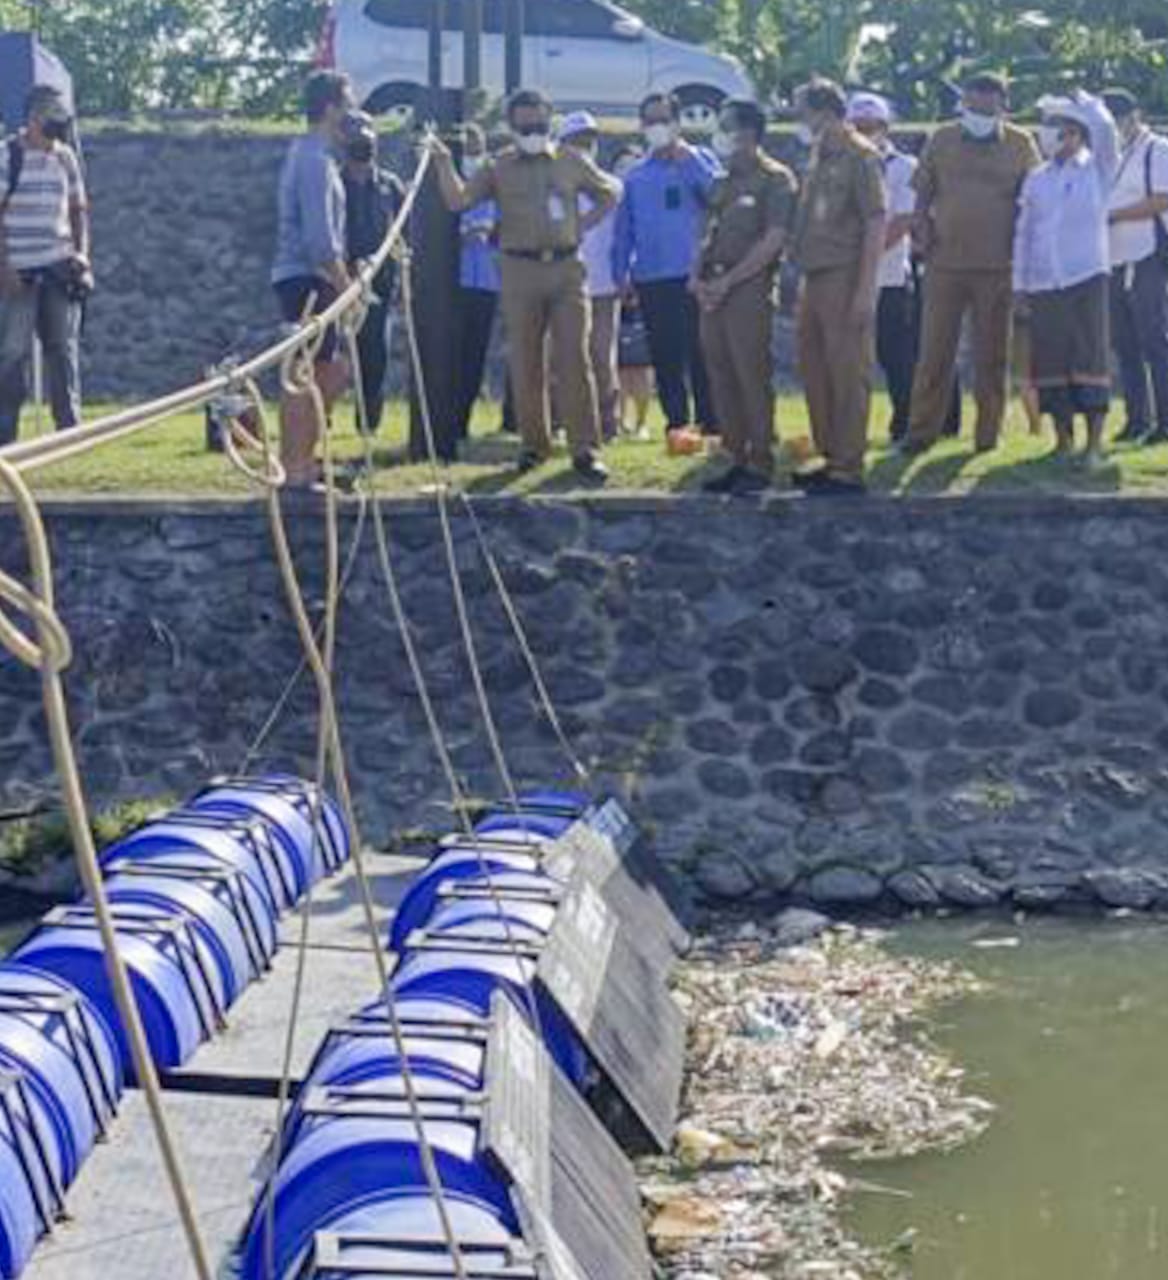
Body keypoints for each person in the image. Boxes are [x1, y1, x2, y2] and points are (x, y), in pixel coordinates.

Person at [432, 89, 617, 484]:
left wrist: (582, 225)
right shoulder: (499, 167)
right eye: (524, 125)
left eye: (538, 124)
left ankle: (585, 449)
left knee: (574, 358)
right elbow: (458, 201)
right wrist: (444, 163)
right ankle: (534, 445)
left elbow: (610, 192)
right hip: (519, 269)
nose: (532, 131)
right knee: (526, 361)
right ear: (512, 126)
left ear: (549, 122)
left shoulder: (570, 160)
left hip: (567, 268)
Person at [902, 73, 1040, 456]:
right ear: (964, 103)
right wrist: (921, 231)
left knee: (992, 356)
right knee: (933, 353)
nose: (978, 110)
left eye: (987, 103)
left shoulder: (1020, 143)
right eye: (972, 103)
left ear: (1002, 104)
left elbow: (1034, 202)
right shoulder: (942, 138)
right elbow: (922, 193)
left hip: (999, 266)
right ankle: (920, 433)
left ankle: (987, 437)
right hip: (945, 264)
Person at [695, 99, 797, 495]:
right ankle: (733, 456)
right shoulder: (721, 181)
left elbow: (773, 240)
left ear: (749, 133)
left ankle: (760, 459)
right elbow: (707, 231)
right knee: (720, 373)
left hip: (748, 289)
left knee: (750, 373)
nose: (719, 133)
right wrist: (697, 277)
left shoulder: (775, 178)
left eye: (727, 126)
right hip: (713, 289)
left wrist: (730, 280)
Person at [790, 78, 887, 496]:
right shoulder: (818, 153)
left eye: (803, 110)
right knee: (816, 369)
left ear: (824, 110)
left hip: (845, 274)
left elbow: (875, 220)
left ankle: (849, 465)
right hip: (815, 274)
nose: (799, 119)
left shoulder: (860, 155)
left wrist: (865, 289)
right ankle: (830, 456)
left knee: (848, 371)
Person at [613, 92, 722, 454]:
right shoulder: (636, 175)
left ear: (676, 122)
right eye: (650, 121)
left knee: (702, 351)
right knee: (665, 355)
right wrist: (621, 273)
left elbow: (718, 197)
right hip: (651, 276)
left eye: (663, 119)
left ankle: (711, 424)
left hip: (694, 273)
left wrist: (688, 161)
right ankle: (676, 424)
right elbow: (624, 229)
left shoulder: (700, 159)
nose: (656, 127)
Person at [1014, 92, 1118, 466]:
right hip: (1044, 281)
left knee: (1089, 356)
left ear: (1076, 134)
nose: (1053, 136)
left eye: (1062, 130)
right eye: (1051, 129)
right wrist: (1020, 285)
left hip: (1086, 275)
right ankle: (1062, 442)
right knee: (1051, 360)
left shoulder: (1098, 170)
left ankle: (1093, 445)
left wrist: (1088, 106)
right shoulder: (1036, 179)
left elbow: (1107, 133)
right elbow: (1024, 234)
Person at [271, 70, 354, 489]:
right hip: (307, 279)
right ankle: (296, 467)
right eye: (347, 104)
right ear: (330, 108)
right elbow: (320, 241)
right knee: (310, 374)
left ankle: (303, 460)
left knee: (327, 372)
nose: (352, 114)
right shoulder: (313, 162)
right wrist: (348, 288)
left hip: (310, 278)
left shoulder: (313, 157)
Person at [0, 85, 91, 447]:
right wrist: (4, 267)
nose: (59, 126)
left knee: (62, 349)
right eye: (53, 117)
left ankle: (69, 431)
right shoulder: (7, 155)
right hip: (18, 270)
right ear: (34, 119)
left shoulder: (66, 157)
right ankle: (6, 435)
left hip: (58, 265)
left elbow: (79, 209)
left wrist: (83, 257)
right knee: (12, 351)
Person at [847, 92, 917, 444]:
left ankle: (903, 423)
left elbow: (903, 220)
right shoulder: (840, 166)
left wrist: (867, 256)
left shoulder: (904, 167)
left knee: (896, 356)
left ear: (885, 127)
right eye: (857, 126)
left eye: (871, 126)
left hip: (888, 276)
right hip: (846, 278)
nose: (864, 132)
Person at [1103, 89, 1168, 445]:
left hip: (1146, 255)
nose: (1117, 125)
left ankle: (1165, 422)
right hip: (1116, 257)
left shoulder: (1156, 149)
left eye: (1120, 116)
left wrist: (1113, 215)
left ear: (1135, 114)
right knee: (1124, 344)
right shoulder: (1115, 155)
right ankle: (1136, 419)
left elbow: (1161, 199)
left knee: (1154, 340)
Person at [559, 111, 623, 441]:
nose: (585, 147)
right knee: (565, 356)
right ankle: (565, 424)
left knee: (601, 355)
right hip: (564, 284)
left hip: (604, 286)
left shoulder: (613, 186)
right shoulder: (554, 186)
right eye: (577, 141)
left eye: (589, 140)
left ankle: (608, 425)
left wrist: (627, 274)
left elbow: (624, 237)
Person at [342, 110, 403, 435]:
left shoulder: (390, 185)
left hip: (380, 281)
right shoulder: (335, 182)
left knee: (375, 353)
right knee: (335, 354)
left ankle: (368, 424)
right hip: (342, 279)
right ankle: (318, 419)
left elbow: (402, 231)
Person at [454, 123, 505, 442]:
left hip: (487, 281)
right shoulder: (445, 185)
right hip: (453, 284)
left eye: (478, 150)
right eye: (467, 150)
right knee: (451, 355)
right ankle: (446, 420)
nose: (474, 157)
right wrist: (461, 236)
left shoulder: (495, 187)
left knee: (474, 356)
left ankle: (464, 422)